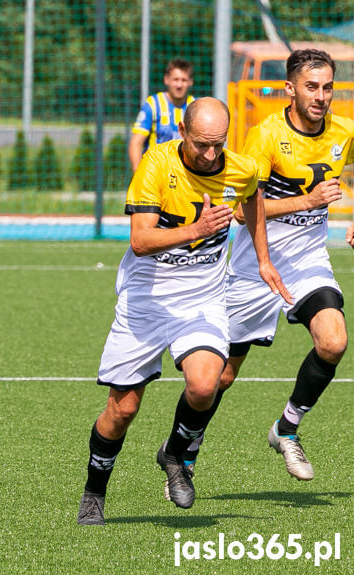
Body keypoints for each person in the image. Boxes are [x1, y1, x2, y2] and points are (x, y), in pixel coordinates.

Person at [77, 98, 289, 526]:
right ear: (181, 130)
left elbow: (254, 201)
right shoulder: (156, 164)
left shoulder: (240, 168)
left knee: (206, 384)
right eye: (201, 144)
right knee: (122, 411)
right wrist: (198, 229)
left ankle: (175, 453)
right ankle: (95, 491)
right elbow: (140, 240)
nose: (211, 155)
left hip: (203, 299)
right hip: (146, 300)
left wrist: (263, 260)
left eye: (218, 144)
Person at [200, 49, 354, 482]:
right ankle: (183, 449)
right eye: (311, 87)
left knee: (334, 342)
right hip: (254, 267)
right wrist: (307, 201)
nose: (321, 96)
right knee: (219, 378)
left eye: (327, 87)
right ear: (290, 89)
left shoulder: (343, 131)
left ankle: (287, 429)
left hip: (307, 262)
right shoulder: (265, 136)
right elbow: (239, 211)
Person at [129, 59, 195, 171]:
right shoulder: (153, 104)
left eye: (184, 80)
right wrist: (139, 177)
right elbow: (136, 143)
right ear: (166, 80)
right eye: (176, 79)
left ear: (190, 82)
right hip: (155, 172)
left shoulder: (194, 106)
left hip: (184, 176)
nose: (179, 85)